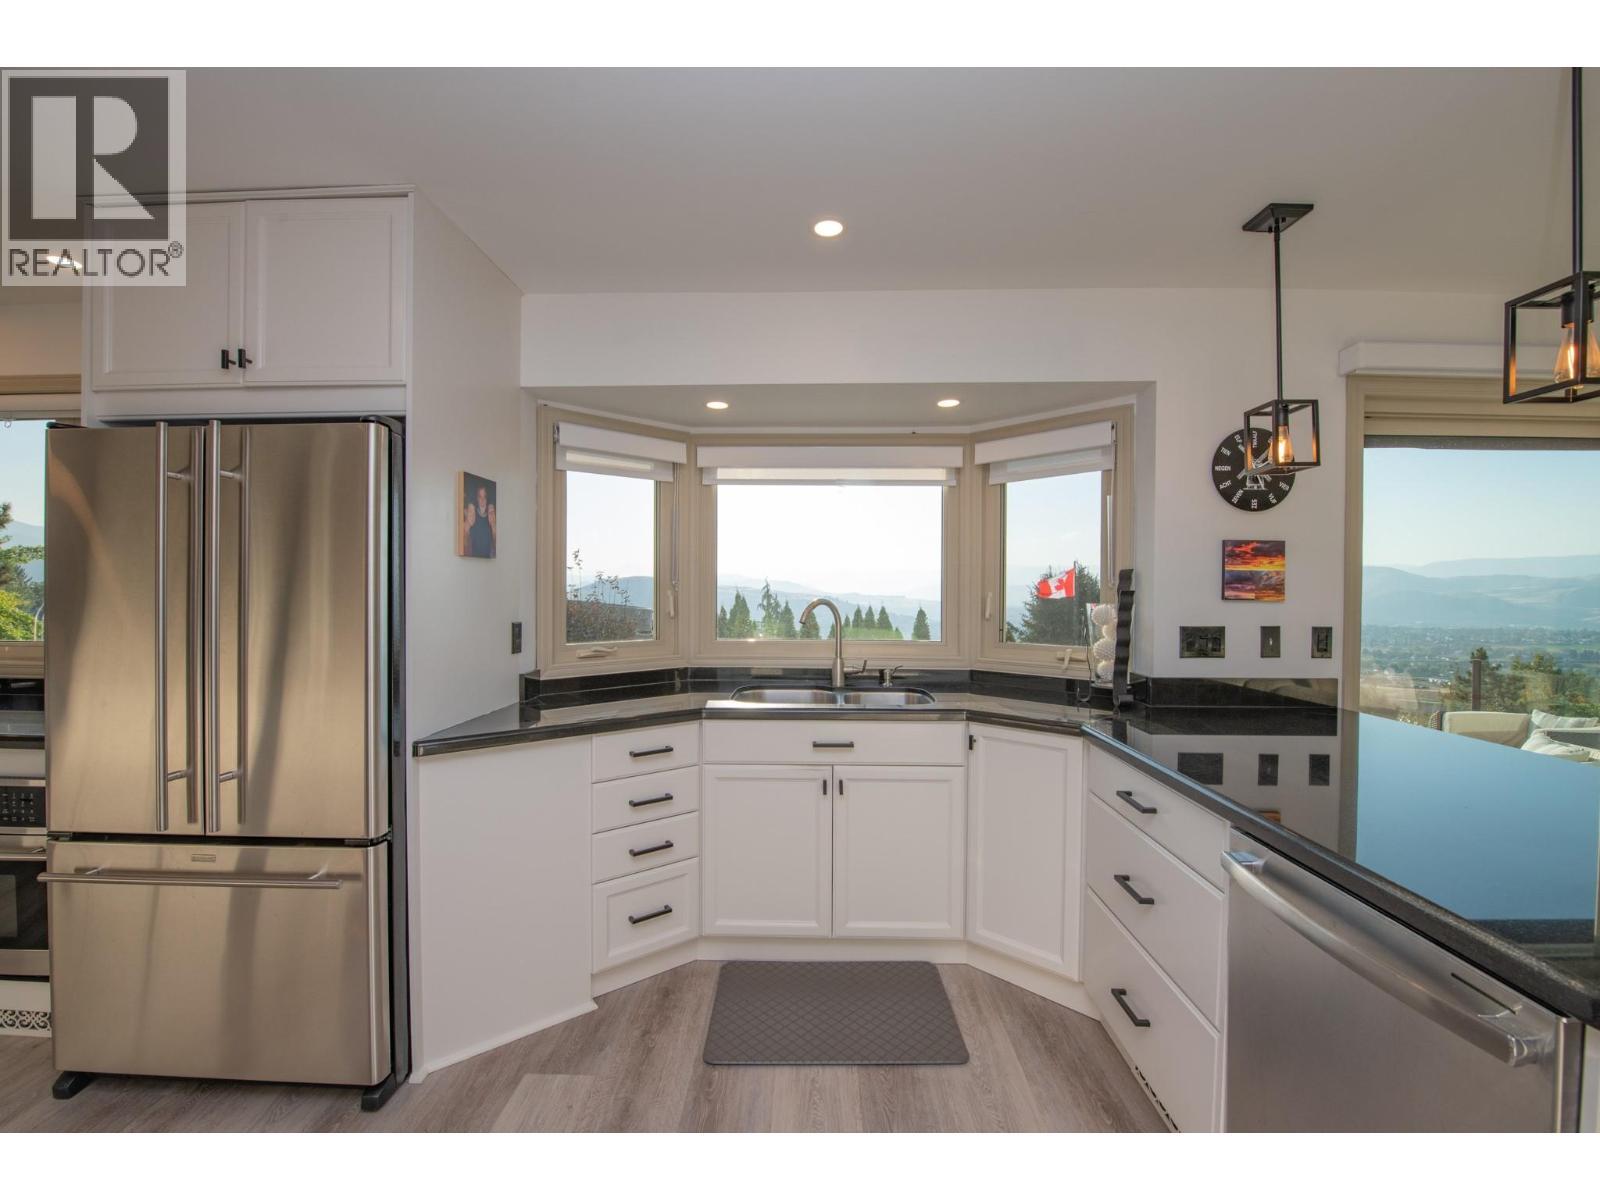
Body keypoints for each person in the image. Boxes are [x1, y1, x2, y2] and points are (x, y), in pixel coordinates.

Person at [469, 483, 496, 558]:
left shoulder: (491, 515)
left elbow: (495, 545)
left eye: (484, 497)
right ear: (477, 498)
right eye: (480, 497)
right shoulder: (473, 516)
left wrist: (493, 525)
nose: (482, 500)